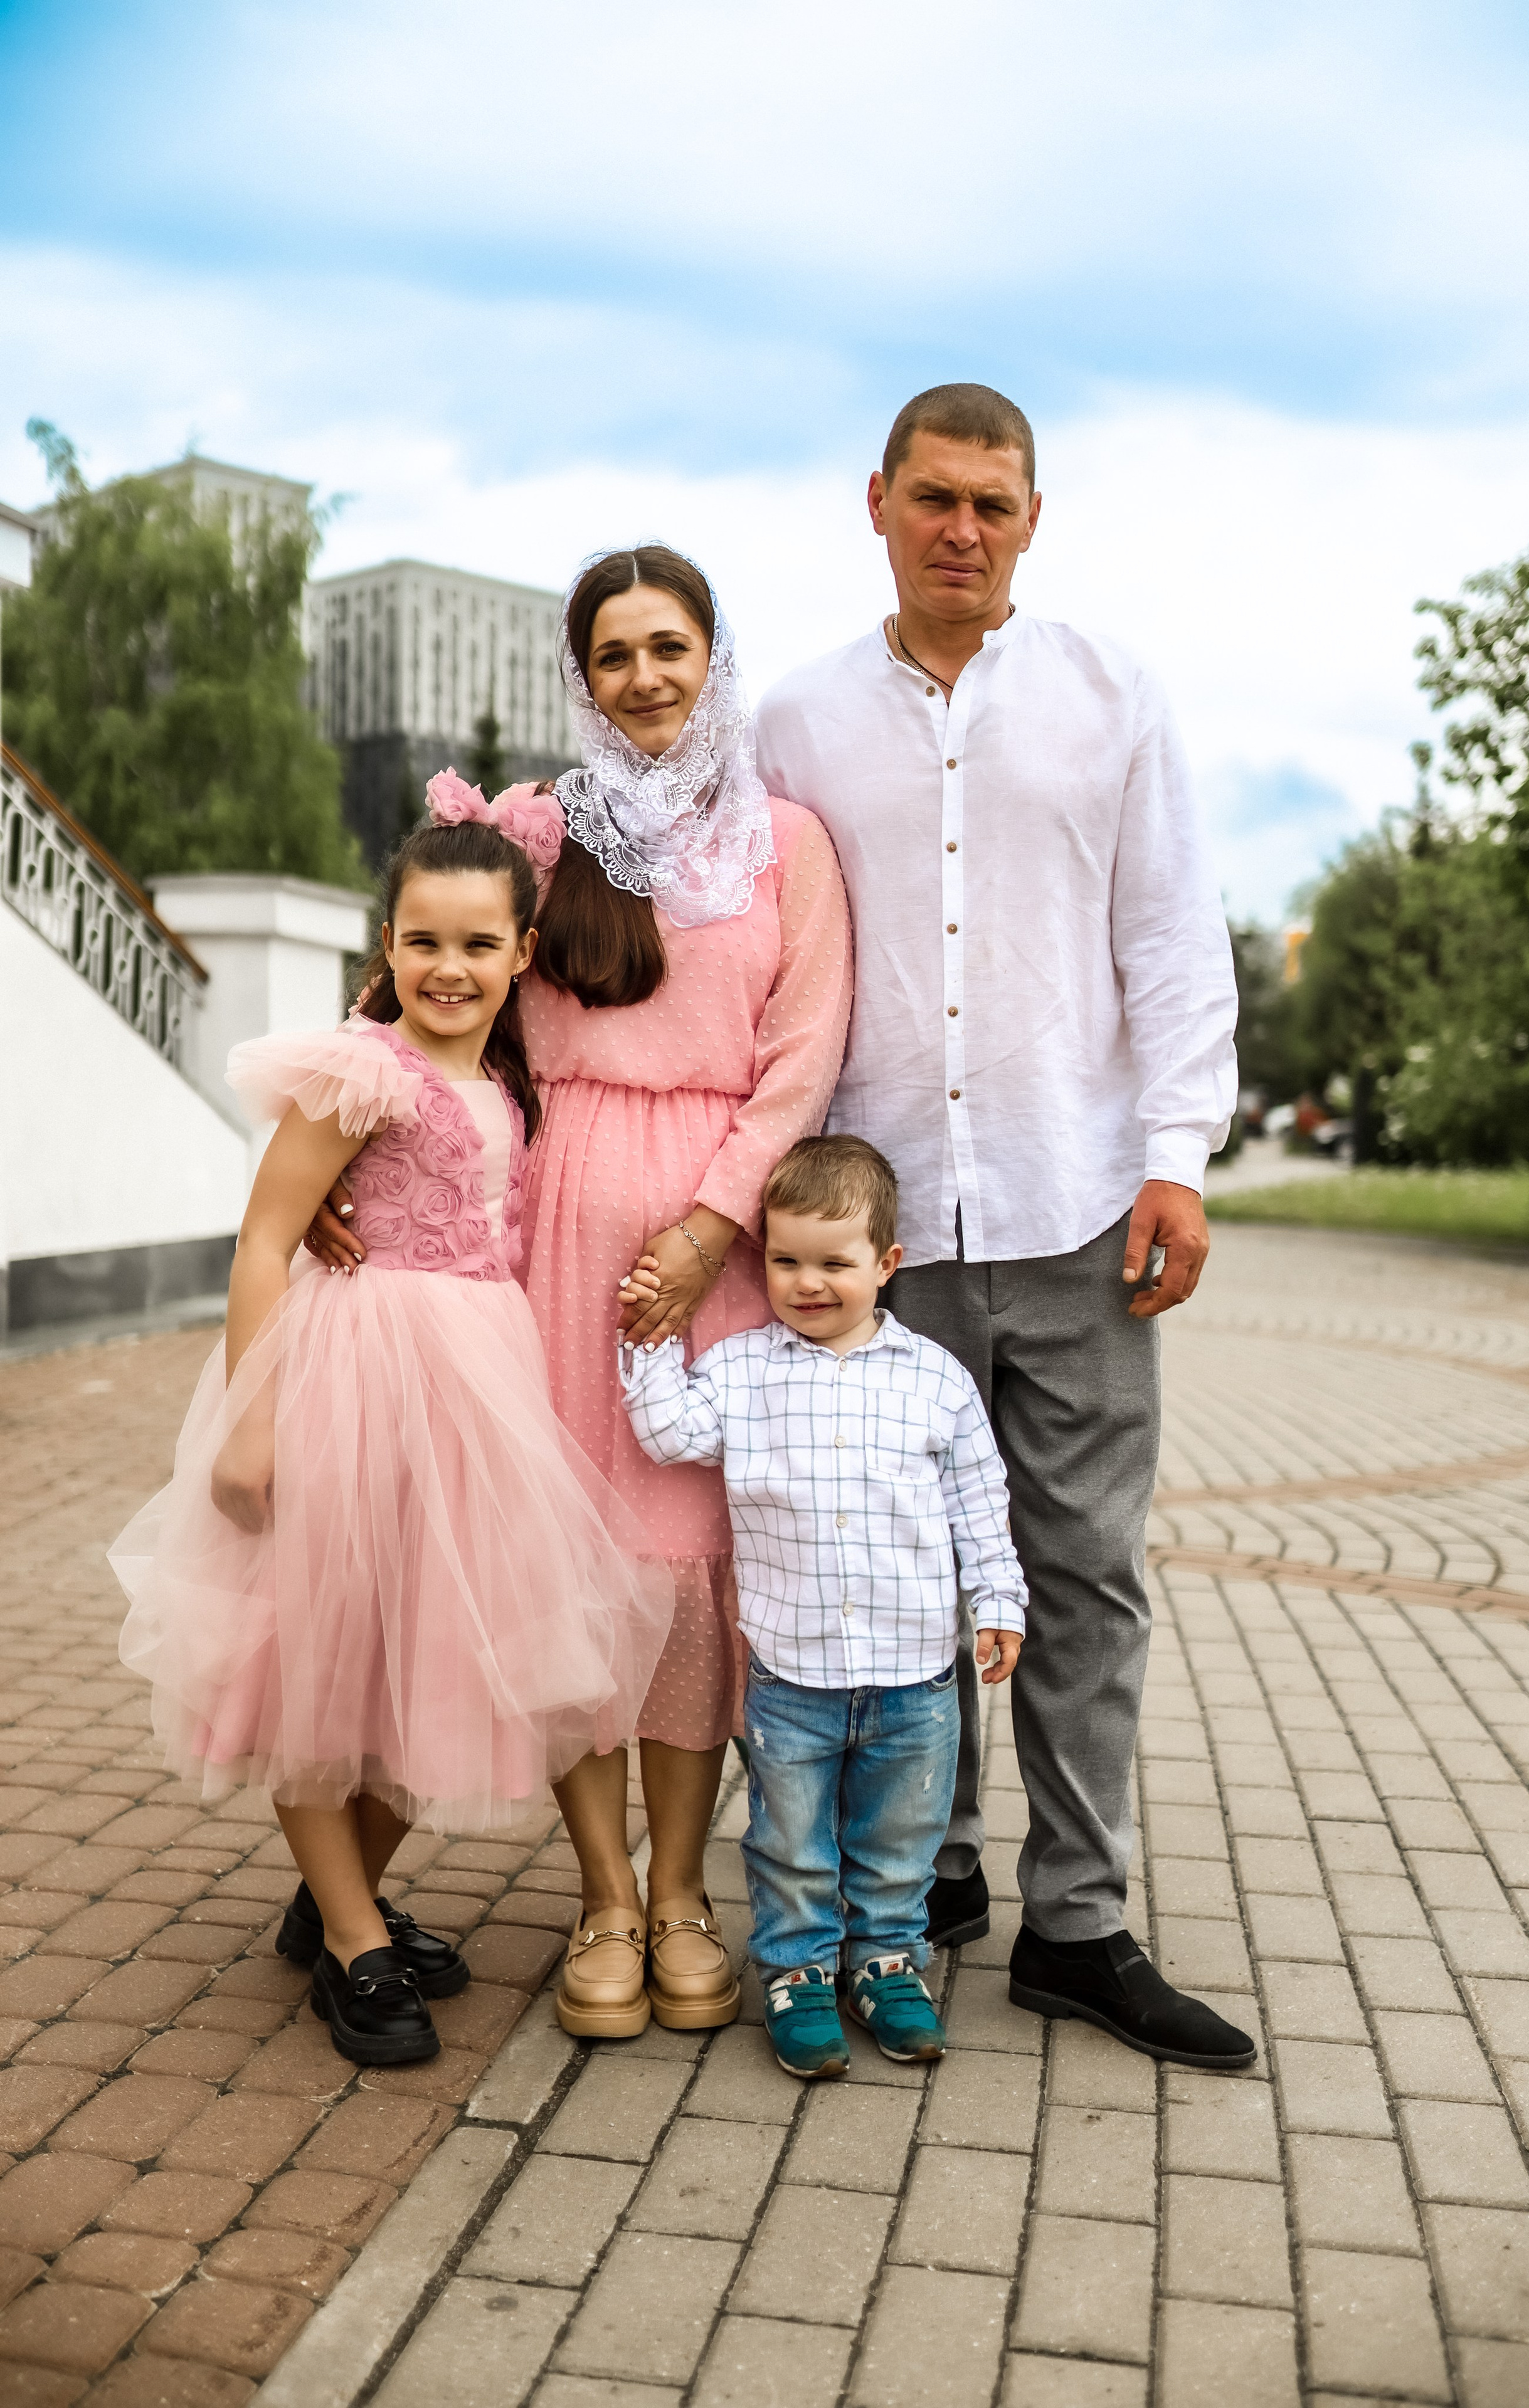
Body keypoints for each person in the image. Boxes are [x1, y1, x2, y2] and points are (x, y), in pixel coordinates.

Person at [753, 384, 1254, 2071]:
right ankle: (927, 1881)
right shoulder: (798, 722)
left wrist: (1177, 1153)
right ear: (877, 500)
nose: (965, 526)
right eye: (937, 497)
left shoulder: (1115, 700)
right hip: (875, 1227)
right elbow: (732, 940)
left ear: (1035, 517)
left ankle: (1080, 1924)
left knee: (1083, 1579)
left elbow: (1177, 935)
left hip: (1076, 1206)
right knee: (891, 1580)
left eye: (997, 502)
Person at [309, 547, 852, 2040]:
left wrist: (708, 1224)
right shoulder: (539, 828)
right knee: (562, 1561)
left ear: (712, 654)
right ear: (580, 676)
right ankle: (602, 1894)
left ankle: (684, 1893)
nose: (645, 678)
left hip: (714, 1244)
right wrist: (330, 1188)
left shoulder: (785, 842)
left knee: (683, 1580)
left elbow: (802, 1057)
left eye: (668, 645)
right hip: (539, 1242)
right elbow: (418, 998)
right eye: (612, 655)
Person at [110, 803, 674, 2069]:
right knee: (320, 1661)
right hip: (355, 1381)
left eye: (479, 944)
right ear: (387, 942)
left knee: (430, 1656)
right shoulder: (364, 1068)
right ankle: (357, 1946)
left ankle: (336, 1902)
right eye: (423, 941)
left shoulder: (511, 1074)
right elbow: (266, 1235)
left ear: (523, 954)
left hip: (478, 1392)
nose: (449, 968)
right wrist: (247, 1425)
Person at [620, 1134, 1027, 2079]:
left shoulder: (935, 1380)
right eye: (786, 1260)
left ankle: (887, 1963)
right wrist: (645, 1335)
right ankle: (798, 1974)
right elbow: (673, 1434)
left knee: (899, 1839)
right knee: (789, 1840)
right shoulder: (740, 1368)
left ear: (886, 1265)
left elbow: (979, 1500)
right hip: (791, 1673)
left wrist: (998, 1598)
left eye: (835, 1264)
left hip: (916, 1675)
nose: (808, 1283)